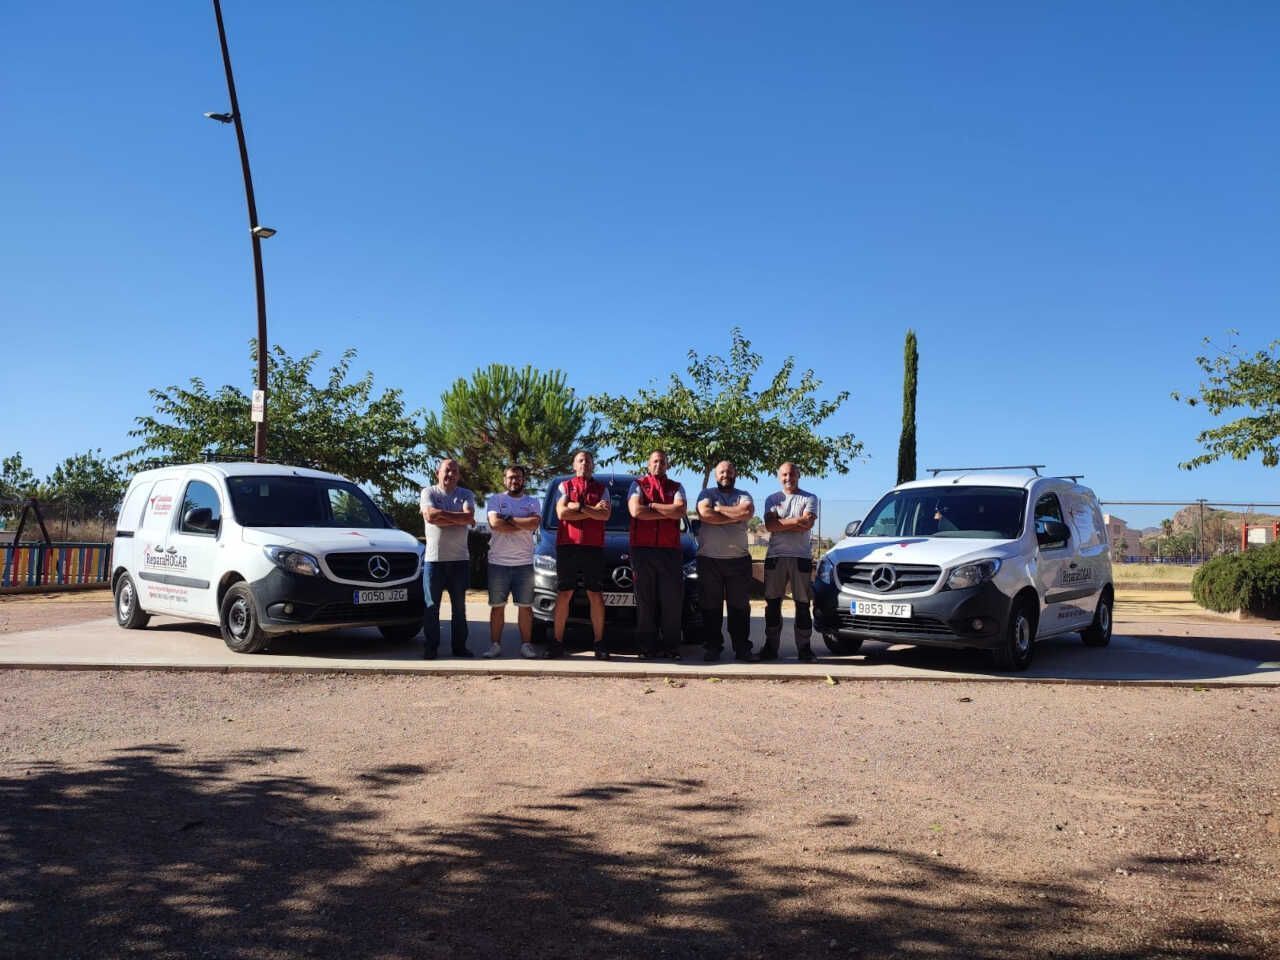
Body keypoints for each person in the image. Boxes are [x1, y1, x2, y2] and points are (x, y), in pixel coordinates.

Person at [627, 449, 688, 659]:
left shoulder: (676, 487)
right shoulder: (638, 485)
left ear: (667, 465)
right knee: (646, 602)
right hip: (642, 551)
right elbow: (636, 511)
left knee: (671, 601)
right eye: (655, 461)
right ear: (648, 463)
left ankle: (671, 647)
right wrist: (666, 511)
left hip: (670, 551)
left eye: (662, 462)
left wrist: (651, 505)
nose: (658, 465)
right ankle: (646, 648)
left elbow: (680, 511)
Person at [695, 460, 756, 662]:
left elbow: (747, 512)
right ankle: (713, 647)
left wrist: (720, 509)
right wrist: (734, 516)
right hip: (709, 560)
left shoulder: (743, 495)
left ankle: (742, 648)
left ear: (735, 474)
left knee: (739, 608)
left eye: (729, 472)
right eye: (721, 472)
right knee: (710, 607)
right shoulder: (706, 494)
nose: (725, 475)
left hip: (738, 561)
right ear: (716, 475)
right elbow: (705, 514)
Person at [553, 450, 612, 659]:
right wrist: (590, 510)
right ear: (574, 465)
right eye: (580, 460)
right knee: (564, 594)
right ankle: (557, 643)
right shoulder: (565, 486)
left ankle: (599, 643)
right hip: (567, 545)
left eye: (588, 461)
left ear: (592, 465)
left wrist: (577, 507)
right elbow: (561, 513)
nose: (584, 463)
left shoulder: (602, 489)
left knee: (595, 594)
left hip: (593, 547)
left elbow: (605, 515)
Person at [762, 462, 820, 662]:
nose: (788, 478)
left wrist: (782, 523)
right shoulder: (772, 499)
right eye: (784, 475)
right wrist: (796, 520)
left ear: (798, 475)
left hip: (801, 557)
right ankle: (770, 647)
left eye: (792, 474)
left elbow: (807, 524)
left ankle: (804, 648)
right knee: (772, 605)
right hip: (775, 557)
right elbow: (770, 525)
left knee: (802, 605)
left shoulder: (810, 498)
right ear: (779, 477)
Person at [485, 464, 543, 660]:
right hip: (498, 563)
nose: (514, 480)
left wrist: (509, 519)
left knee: (525, 608)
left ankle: (526, 646)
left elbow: (534, 523)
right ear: (504, 480)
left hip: (524, 563)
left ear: (523, 480)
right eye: (511, 477)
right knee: (497, 607)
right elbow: (495, 524)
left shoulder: (533, 501)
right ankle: (495, 645)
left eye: (518, 477)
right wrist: (522, 523)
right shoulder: (496, 500)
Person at [420, 458, 475, 659]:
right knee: (431, 607)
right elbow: (429, 516)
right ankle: (431, 647)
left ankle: (459, 647)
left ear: (459, 476)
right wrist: (457, 518)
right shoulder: (429, 493)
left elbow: (469, 517)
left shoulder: (466, 494)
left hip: (460, 561)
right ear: (438, 473)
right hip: (434, 561)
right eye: (447, 470)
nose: (450, 474)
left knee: (459, 608)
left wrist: (441, 516)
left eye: (454, 471)